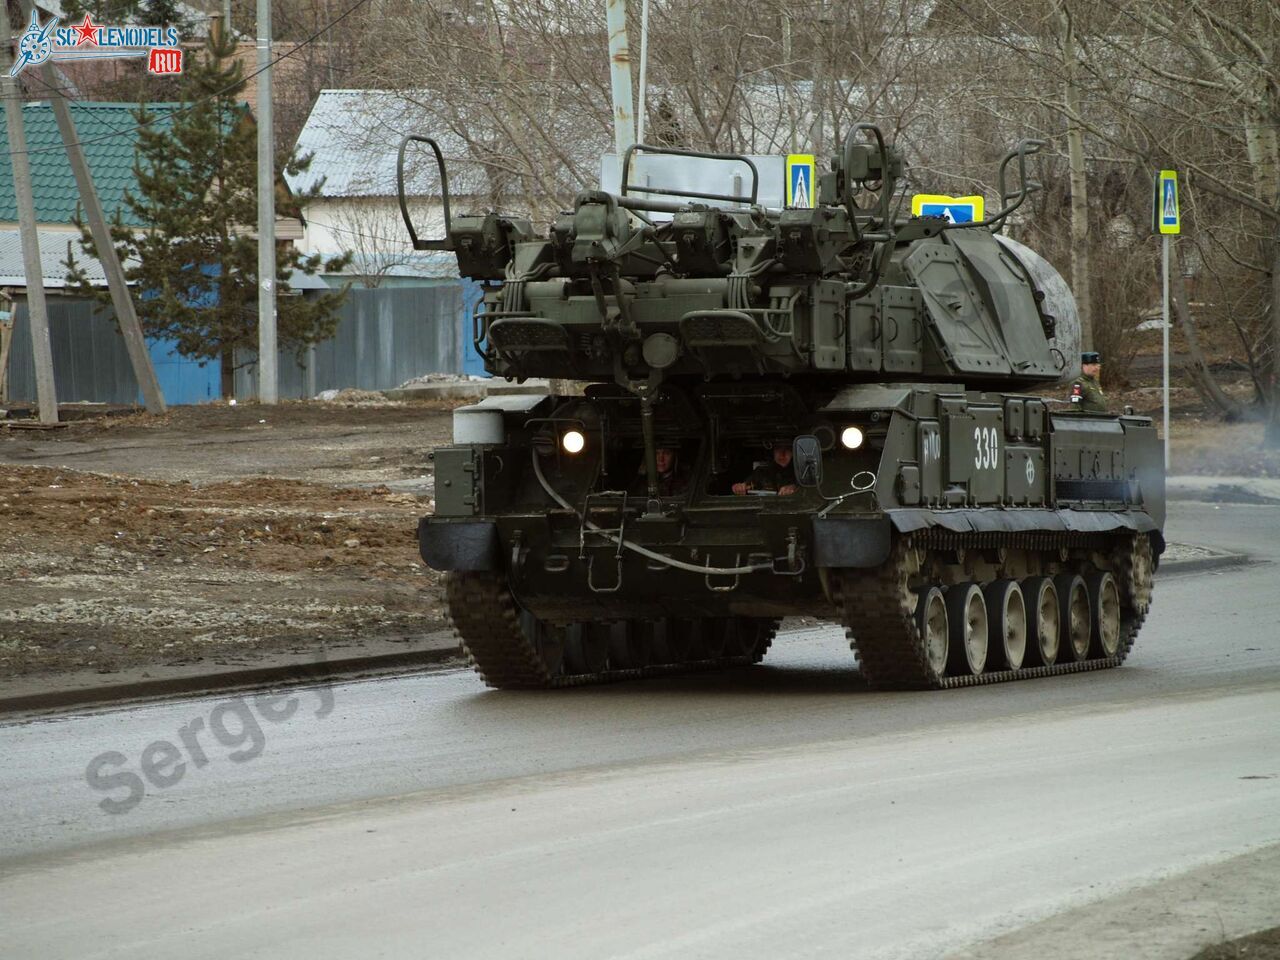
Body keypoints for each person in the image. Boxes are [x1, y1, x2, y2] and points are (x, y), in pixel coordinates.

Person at [733, 442, 798, 496]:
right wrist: (739, 487)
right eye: (778, 448)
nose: (782, 454)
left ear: (793, 453)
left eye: (788, 449)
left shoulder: (801, 472)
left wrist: (795, 488)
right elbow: (746, 485)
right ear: (773, 452)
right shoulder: (761, 472)